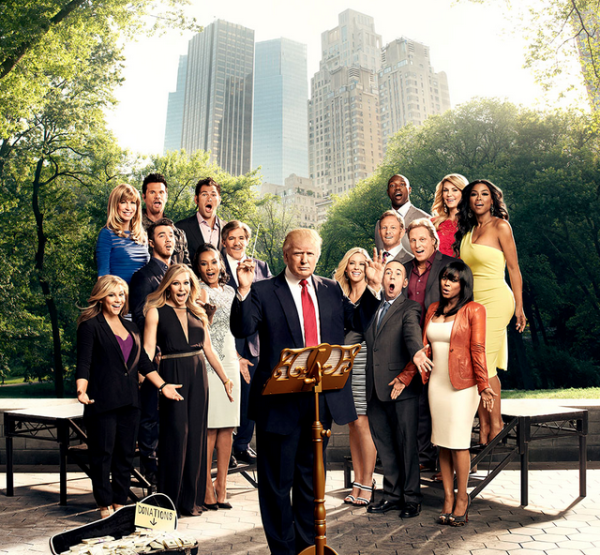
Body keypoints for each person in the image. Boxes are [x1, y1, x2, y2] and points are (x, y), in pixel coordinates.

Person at [231, 228, 383, 555]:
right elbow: (242, 328)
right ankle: (283, 551)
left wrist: (372, 287)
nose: (304, 259)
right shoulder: (261, 290)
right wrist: (242, 291)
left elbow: (357, 320)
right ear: (286, 255)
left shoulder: (330, 289)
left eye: (310, 253)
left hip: (319, 403)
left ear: (318, 256)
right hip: (278, 402)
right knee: (275, 485)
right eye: (297, 253)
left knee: (309, 483)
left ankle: (306, 548)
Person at [75, 275, 180, 518]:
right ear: (101, 297)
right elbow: (84, 362)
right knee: (103, 456)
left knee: (124, 455)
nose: (117, 300)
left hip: (131, 401)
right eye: (112, 295)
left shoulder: (132, 327)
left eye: (121, 295)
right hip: (100, 401)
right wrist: (81, 389)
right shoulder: (90, 325)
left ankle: (120, 505)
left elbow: (144, 362)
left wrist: (163, 385)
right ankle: (104, 506)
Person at [404, 260, 496, 526]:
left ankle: (462, 499)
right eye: (444, 278)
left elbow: (478, 349)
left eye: (453, 279)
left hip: (463, 386)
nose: (446, 283)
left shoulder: (474, 310)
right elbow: (424, 350)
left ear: (463, 283)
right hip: (437, 385)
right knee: (442, 442)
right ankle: (447, 498)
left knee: (458, 443)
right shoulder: (433, 309)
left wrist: (483, 385)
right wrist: (405, 376)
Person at [143, 264, 234, 516]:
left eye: (186, 283)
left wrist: (225, 378)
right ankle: (168, 502)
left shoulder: (199, 311)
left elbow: (209, 349)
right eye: (176, 283)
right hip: (172, 375)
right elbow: (148, 350)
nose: (181, 288)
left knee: (196, 435)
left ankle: (190, 501)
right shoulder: (155, 312)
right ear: (168, 286)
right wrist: (146, 377)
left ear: (191, 286)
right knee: (176, 435)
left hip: (198, 375)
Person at [454, 179, 526, 445]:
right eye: (474, 194)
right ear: (469, 200)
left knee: (482, 361)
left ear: (493, 199)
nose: (479, 198)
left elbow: (514, 268)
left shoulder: (501, 226)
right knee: (479, 364)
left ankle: (495, 424)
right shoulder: (469, 230)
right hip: (473, 303)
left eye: (485, 194)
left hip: (497, 299)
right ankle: (485, 426)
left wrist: (519, 306)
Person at [365, 261, 427, 519]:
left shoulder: (410, 307)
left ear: (405, 283)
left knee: (406, 445)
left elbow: (412, 334)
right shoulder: (375, 308)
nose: (391, 276)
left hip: (402, 389)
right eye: (388, 272)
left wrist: (417, 354)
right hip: (375, 390)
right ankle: (392, 495)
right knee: (386, 447)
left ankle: (412, 499)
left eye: (398, 273)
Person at [194, 244, 242, 510]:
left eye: (213, 262)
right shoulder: (196, 292)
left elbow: (240, 326)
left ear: (221, 265)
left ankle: (222, 487)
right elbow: (199, 334)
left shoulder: (233, 292)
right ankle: (205, 488)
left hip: (230, 358)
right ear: (198, 267)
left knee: (228, 427)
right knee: (210, 427)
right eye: (203, 263)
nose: (210, 268)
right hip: (207, 361)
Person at [404, 218, 454, 473]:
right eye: (413, 240)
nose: (417, 244)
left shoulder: (451, 266)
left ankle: (443, 461)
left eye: (422, 239)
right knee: (417, 404)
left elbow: (462, 305)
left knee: (439, 404)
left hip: (441, 342)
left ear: (434, 240)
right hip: (411, 345)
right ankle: (422, 457)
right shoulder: (404, 269)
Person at [220, 220, 272, 465]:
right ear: (223, 242)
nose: (237, 242)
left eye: (242, 237)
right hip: (227, 342)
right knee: (229, 395)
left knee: (251, 397)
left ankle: (242, 444)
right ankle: (225, 448)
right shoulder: (217, 267)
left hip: (254, 344)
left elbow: (270, 303)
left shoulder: (261, 267)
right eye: (232, 238)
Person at [128, 218, 175, 484]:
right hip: (152, 356)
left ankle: (167, 467)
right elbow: (137, 316)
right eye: (162, 235)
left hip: (175, 355)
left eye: (171, 235)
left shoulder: (177, 274)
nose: (169, 239)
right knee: (150, 414)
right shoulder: (143, 276)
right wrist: (152, 349)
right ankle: (150, 471)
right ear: (150, 241)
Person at [333, 247, 377, 506]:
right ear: (346, 268)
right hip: (342, 363)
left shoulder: (373, 294)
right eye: (352, 263)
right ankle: (358, 481)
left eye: (362, 263)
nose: (357, 267)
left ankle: (367, 482)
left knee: (363, 423)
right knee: (352, 423)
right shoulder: (339, 294)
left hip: (363, 362)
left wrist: (374, 285)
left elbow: (364, 326)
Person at [96, 183, 150, 284]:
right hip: (120, 297)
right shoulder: (107, 234)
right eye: (123, 202)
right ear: (115, 204)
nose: (128, 207)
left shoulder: (142, 235)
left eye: (133, 203)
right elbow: (103, 278)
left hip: (142, 297)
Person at [141, 173, 190, 265]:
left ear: (166, 197)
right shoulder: (134, 230)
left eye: (161, 192)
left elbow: (187, 267)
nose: (157, 196)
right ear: (144, 197)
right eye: (152, 192)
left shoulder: (179, 234)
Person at [374, 174, 430, 252]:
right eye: (392, 185)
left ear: (409, 189)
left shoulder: (426, 220)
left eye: (402, 184)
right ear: (388, 192)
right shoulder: (379, 225)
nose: (397, 187)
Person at [176, 177, 225, 263]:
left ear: (219, 200)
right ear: (196, 199)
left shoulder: (228, 229)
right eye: (204, 194)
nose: (209, 198)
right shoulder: (180, 228)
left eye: (213, 195)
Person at [430, 174, 468, 257]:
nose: (449, 194)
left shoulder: (473, 223)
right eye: (445, 190)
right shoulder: (433, 223)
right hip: (436, 268)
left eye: (454, 190)